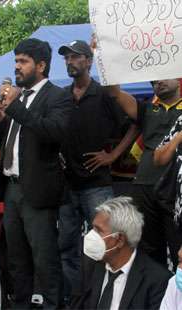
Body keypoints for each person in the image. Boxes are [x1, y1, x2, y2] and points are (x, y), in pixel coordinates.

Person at [0, 37, 73, 308]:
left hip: (37, 189)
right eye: (15, 61)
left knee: (44, 259)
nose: (17, 67)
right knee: (17, 259)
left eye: (23, 62)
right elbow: (8, 143)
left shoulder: (57, 96)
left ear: (41, 65)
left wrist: (14, 107)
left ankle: (52, 305)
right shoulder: (18, 98)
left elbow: (53, 133)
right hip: (12, 187)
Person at [57, 40, 139, 303]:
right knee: (66, 247)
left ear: (89, 61)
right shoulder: (62, 96)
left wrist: (113, 155)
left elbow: (135, 124)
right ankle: (76, 298)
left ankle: (101, 297)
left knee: (105, 245)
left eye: (76, 57)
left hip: (97, 185)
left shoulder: (105, 94)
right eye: (67, 58)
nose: (70, 61)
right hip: (67, 187)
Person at [108, 78, 182, 267]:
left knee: (178, 248)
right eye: (153, 80)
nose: (158, 82)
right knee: (148, 250)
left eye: (164, 76)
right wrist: (102, 56)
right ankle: (155, 294)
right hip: (144, 187)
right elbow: (115, 93)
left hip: (176, 190)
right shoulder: (147, 109)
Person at [72, 197, 171, 309]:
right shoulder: (90, 265)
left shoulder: (157, 280)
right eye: (92, 228)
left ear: (119, 240)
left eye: (98, 230)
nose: (90, 236)